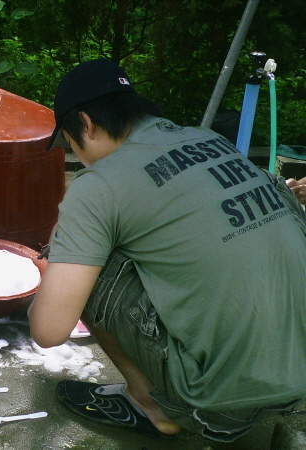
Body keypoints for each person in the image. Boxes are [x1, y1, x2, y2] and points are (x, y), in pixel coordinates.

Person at [28, 59, 306, 442]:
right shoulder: (208, 139)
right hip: (300, 387)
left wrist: (55, 258)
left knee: (79, 258)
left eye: (70, 142)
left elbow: (49, 330)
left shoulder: (99, 183)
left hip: (218, 404)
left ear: (86, 124)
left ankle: (153, 403)